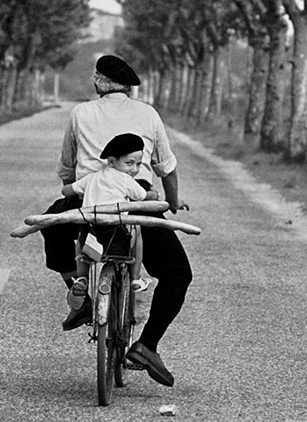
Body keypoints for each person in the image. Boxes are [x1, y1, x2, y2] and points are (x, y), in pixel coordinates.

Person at [41, 54, 192, 387]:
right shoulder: (148, 114)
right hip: (135, 205)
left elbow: (66, 168)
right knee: (178, 273)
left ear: (98, 82)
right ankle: (147, 346)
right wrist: (172, 201)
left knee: (51, 227)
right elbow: (166, 167)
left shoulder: (81, 113)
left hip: (88, 202)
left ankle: (79, 293)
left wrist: (79, 188)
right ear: (129, 88)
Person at [60, 133, 158, 311]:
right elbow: (143, 197)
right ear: (111, 161)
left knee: (81, 239)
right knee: (136, 229)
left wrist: (75, 191)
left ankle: (82, 277)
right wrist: (154, 195)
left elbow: (67, 191)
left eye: (138, 164)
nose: (134, 169)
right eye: (129, 163)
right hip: (117, 229)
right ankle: (135, 278)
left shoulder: (92, 178)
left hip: (92, 230)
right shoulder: (126, 180)